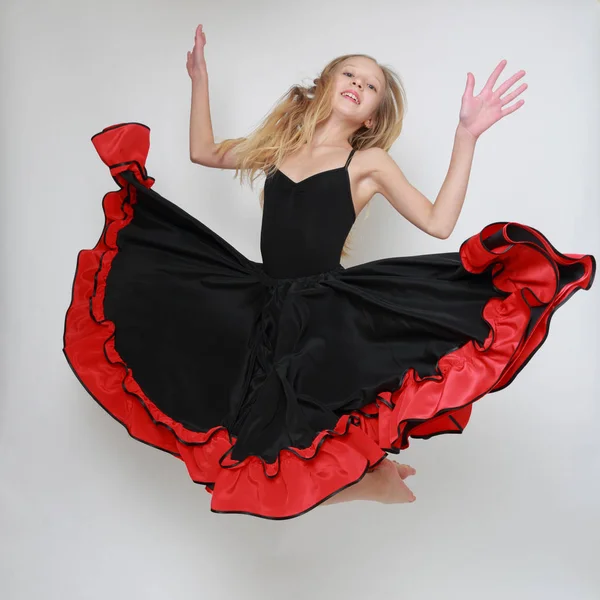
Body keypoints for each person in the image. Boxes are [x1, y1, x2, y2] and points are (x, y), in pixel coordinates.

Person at [62, 24, 596, 520]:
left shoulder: (368, 163)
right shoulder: (277, 147)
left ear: (370, 116)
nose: (360, 84)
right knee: (243, 440)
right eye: (351, 74)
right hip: (260, 306)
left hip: (322, 313)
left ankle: (371, 481)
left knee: (301, 438)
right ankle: (373, 479)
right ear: (324, 86)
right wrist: (199, 79)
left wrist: (465, 137)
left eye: (372, 86)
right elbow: (203, 151)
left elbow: (438, 222)